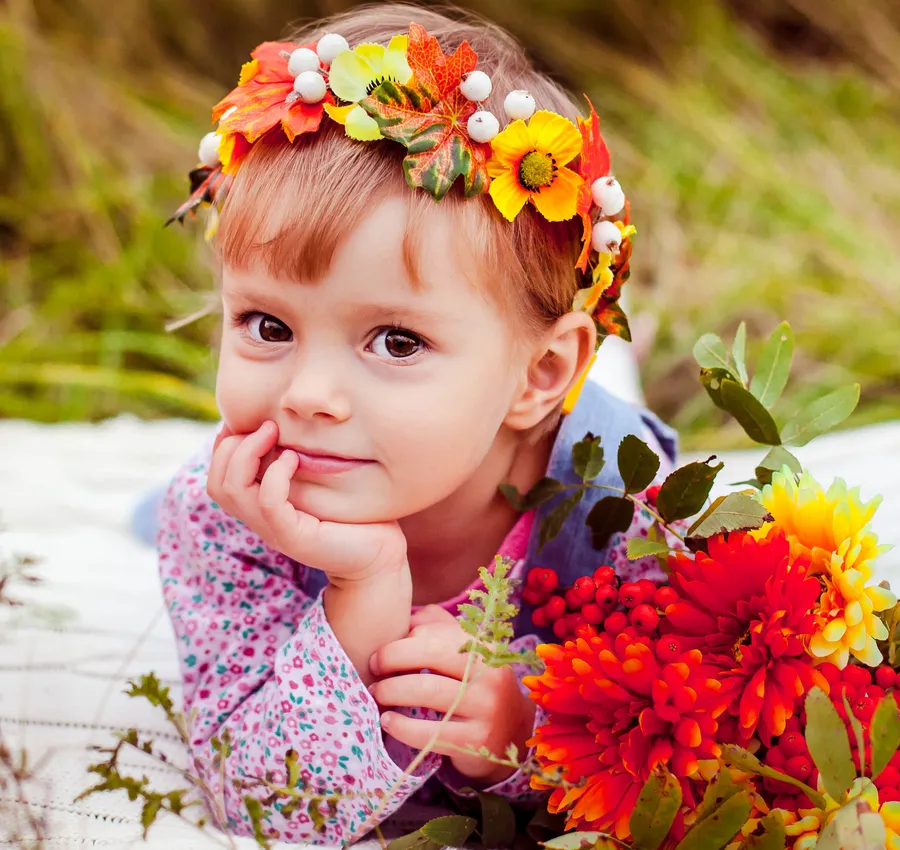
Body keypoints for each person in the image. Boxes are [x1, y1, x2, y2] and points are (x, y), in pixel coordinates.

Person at [154, 5, 677, 844]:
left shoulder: (628, 517)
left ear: (541, 375)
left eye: (397, 340)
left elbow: (696, 758)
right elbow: (264, 809)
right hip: (333, 473)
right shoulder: (228, 517)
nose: (308, 395)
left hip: (564, 443)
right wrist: (361, 589)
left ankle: (608, 367)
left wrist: (531, 728)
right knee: (157, 503)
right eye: (267, 325)